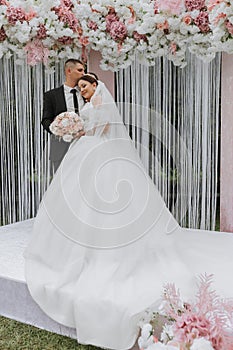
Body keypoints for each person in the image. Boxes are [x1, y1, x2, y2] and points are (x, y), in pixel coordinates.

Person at [25, 75, 233, 350]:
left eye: (85, 86)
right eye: (80, 89)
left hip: (99, 153)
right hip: (84, 151)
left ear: (95, 84)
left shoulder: (100, 102)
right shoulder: (88, 103)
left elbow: (106, 126)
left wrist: (81, 129)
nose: (83, 91)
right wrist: (73, 129)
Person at [41, 59, 85, 174]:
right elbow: (45, 120)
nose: (83, 73)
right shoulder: (51, 95)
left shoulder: (86, 93)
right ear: (69, 71)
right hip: (61, 148)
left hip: (85, 146)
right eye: (80, 70)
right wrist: (59, 130)